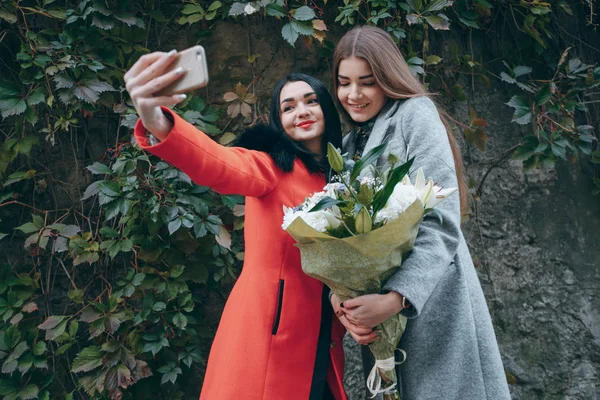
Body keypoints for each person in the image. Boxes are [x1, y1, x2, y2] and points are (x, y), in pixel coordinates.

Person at [124, 50, 348, 400]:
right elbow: (219, 164)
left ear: (327, 110)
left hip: (323, 341)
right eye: (288, 108)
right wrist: (157, 122)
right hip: (268, 339)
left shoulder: (344, 179)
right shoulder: (271, 166)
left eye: (310, 101)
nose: (301, 112)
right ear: (278, 121)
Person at [329, 26, 511, 400]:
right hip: (381, 325)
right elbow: (338, 239)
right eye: (343, 83)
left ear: (388, 77)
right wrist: (343, 304)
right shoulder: (347, 146)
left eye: (367, 81)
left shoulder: (415, 114)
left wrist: (396, 299)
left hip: (434, 308)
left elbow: (442, 221)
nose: (353, 94)